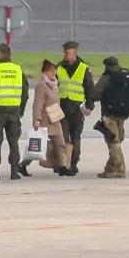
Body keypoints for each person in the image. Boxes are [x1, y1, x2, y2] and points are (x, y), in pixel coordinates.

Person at [0, 43, 29, 181]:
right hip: (14, 111)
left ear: (0, 54)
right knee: (14, 142)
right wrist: (21, 110)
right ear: (10, 54)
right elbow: (25, 93)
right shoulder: (18, 70)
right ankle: (14, 172)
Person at [90, 55, 129, 179]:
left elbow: (95, 94)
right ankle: (110, 168)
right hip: (123, 114)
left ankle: (119, 169)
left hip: (109, 115)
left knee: (113, 142)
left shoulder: (107, 77)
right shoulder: (125, 76)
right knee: (117, 140)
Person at [19, 59, 68, 177]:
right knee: (37, 147)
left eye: (55, 70)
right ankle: (22, 165)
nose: (54, 73)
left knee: (60, 144)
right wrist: (37, 119)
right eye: (51, 71)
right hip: (45, 120)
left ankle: (62, 168)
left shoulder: (55, 85)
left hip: (55, 119)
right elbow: (38, 104)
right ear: (45, 71)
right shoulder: (41, 85)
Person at [56, 41, 95, 176]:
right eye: (64, 52)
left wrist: (90, 106)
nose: (65, 55)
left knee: (76, 136)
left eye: (67, 52)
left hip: (77, 109)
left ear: (75, 53)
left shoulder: (84, 68)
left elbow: (90, 88)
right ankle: (64, 164)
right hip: (62, 108)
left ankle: (73, 163)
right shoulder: (59, 67)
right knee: (63, 137)